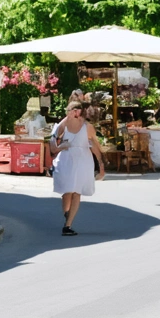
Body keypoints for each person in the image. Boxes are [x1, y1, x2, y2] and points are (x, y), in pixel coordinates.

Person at [50, 101, 105, 235]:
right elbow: (95, 147)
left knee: (67, 191)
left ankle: (67, 216)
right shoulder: (88, 127)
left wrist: (59, 148)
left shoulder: (62, 125)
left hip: (66, 158)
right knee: (76, 192)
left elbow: (52, 143)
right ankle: (68, 225)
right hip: (82, 160)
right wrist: (101, 165)